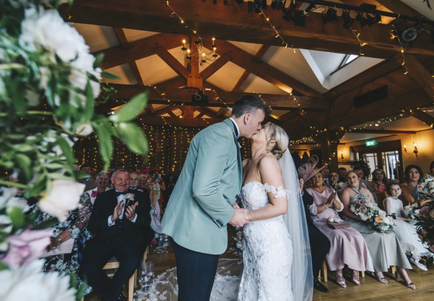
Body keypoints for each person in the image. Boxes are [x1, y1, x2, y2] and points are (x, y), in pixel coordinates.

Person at [161, 95, 269, 301]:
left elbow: (215, 182)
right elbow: (203, 190)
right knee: (195, 296)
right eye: (259, 122)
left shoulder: (223, 134)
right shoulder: (221, 136)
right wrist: (231, 215)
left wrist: (230, 201)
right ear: (247, 117)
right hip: (195, 232)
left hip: (196, 230)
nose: (259, 127)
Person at [239, 122, 312, 301]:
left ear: (272, 140)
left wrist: (246, 215)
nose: (258, 127)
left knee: (270, 293)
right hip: (252, 241)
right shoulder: (246, 162)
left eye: (263, 127)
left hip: (271, 243)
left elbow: (280, 207)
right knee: (253, 288)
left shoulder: (268, 161)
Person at [79, 168, 154, 301]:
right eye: (120, 179)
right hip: (104, 240)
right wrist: (111, 219)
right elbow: (92, 225)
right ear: (112, 180)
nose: (124, 182)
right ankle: (115, 296)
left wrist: (134, 217)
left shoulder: (140, 196)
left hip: (128, 240)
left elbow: (146, 221)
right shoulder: (102, 198)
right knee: (86, 270)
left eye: (126, 179)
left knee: (131, 262)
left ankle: (108, 297)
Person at [340, 171, 416, 290]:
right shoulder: (346, 191)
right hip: (355, 221)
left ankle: (401, 269)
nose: (352, 180)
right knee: (377, 237)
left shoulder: (366, 191)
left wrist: (377, 217)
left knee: (390, 234)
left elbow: (374, 206)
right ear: (347, 180)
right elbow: (344, 210)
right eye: (349, 178)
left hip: (369, 219)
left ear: (359, 178)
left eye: (354, 177)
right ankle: (377, 269)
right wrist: (359, 217)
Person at [304, 168, 372, 288]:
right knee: (339, 237)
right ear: (310, 179)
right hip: (321, 222)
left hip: (337, 221)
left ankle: (354, 268)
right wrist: (326, 203)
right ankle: (338, 270)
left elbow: (340, 208)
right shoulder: (309, 192)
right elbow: (313, 211)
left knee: (356, 235)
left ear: (322, 178)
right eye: (314, 177)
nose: (317, 179)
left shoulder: (330, 189)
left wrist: (334, 200)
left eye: (319, 176)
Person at [35, 191, 93, 294]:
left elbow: (81, 223)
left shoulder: (82, 196)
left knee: (56, 266)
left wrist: (57, 239)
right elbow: (34, 220)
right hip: (44, 238)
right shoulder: (43, 193)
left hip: (70, 238)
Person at [383, 182, 431, 271]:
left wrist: (409, 217)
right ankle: (412, 255)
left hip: (400, 220)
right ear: (389, 191)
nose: (396, 191)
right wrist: (402, 218)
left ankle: (418, 256)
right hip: (393, 222)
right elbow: (389, 215)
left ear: (401, 191)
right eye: (393, 189)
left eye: (398, 189)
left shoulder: (400, 201)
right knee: (404, 231)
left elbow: (401, 213)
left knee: (413, 229)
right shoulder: (388, 200)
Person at [299, 177, 331, 293]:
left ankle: (312, 277)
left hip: (305, 225)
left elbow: (308, 200)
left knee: (324, 243)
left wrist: (301, 191)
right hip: (286, 224)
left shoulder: (301, 188)